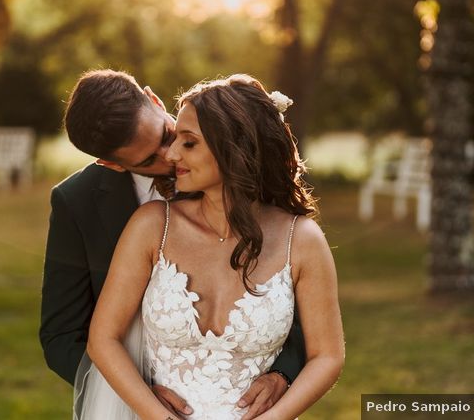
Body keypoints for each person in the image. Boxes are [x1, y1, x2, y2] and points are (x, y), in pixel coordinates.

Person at [40, 70, 306, 419]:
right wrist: (140, 391)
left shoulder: (238, 164)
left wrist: (283, 373)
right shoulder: (77, 202)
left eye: (168, 135)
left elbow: (292, 291)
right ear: (111, 164)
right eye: (148, 160)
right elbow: (61, 334)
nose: (171, 156)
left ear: (153, 100)